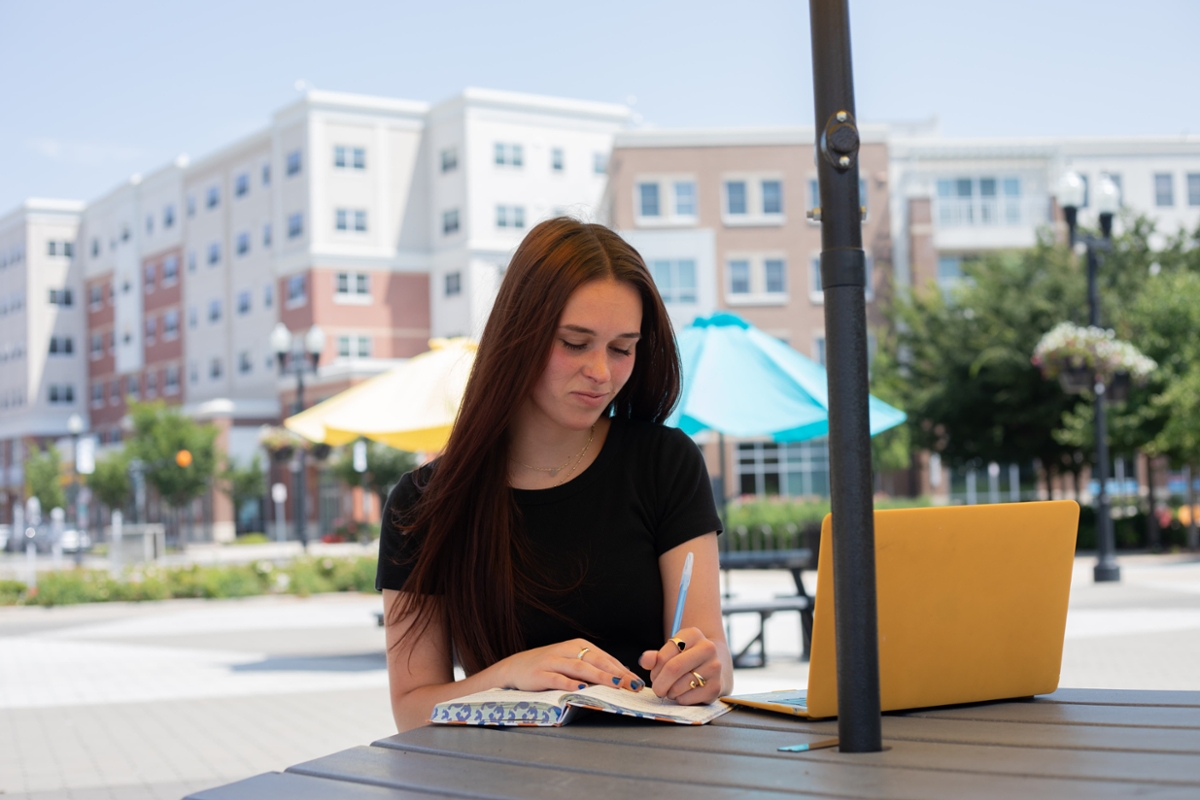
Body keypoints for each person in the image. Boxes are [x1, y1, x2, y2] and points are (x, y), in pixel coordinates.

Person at [377, 217, 733, 732]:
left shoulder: (666, 463)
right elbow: (411, 710)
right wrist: (512, 674)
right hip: (501, 781)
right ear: (518, 335)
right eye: (574, 342)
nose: (601, 373)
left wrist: (703, 672)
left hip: (656, 775)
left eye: (622, 348)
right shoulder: (423, 504)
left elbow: (710, 655)